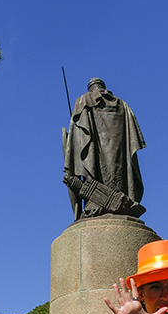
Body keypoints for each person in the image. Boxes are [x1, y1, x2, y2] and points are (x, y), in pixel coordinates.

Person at [62, 78, 145, 218]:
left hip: (95, 153)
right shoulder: (122, 104)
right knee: (118, 167)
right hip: (119, 152)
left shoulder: (83, 101)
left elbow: (79, 138)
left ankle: (95, 202)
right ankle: (120, 195)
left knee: (94, 164)